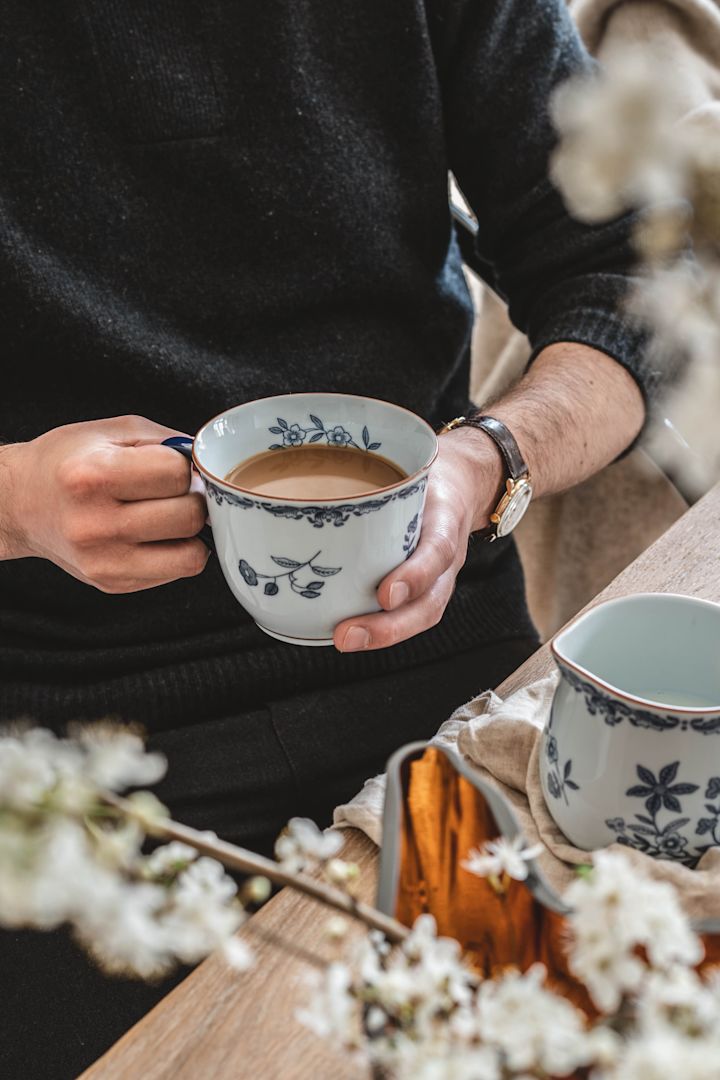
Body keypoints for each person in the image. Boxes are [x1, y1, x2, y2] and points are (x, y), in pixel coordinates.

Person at [0, 0, 647, 1075]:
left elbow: (629, 277)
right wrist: (18, 500)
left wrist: (488, 461)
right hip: (66, 749)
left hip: (446, 678)